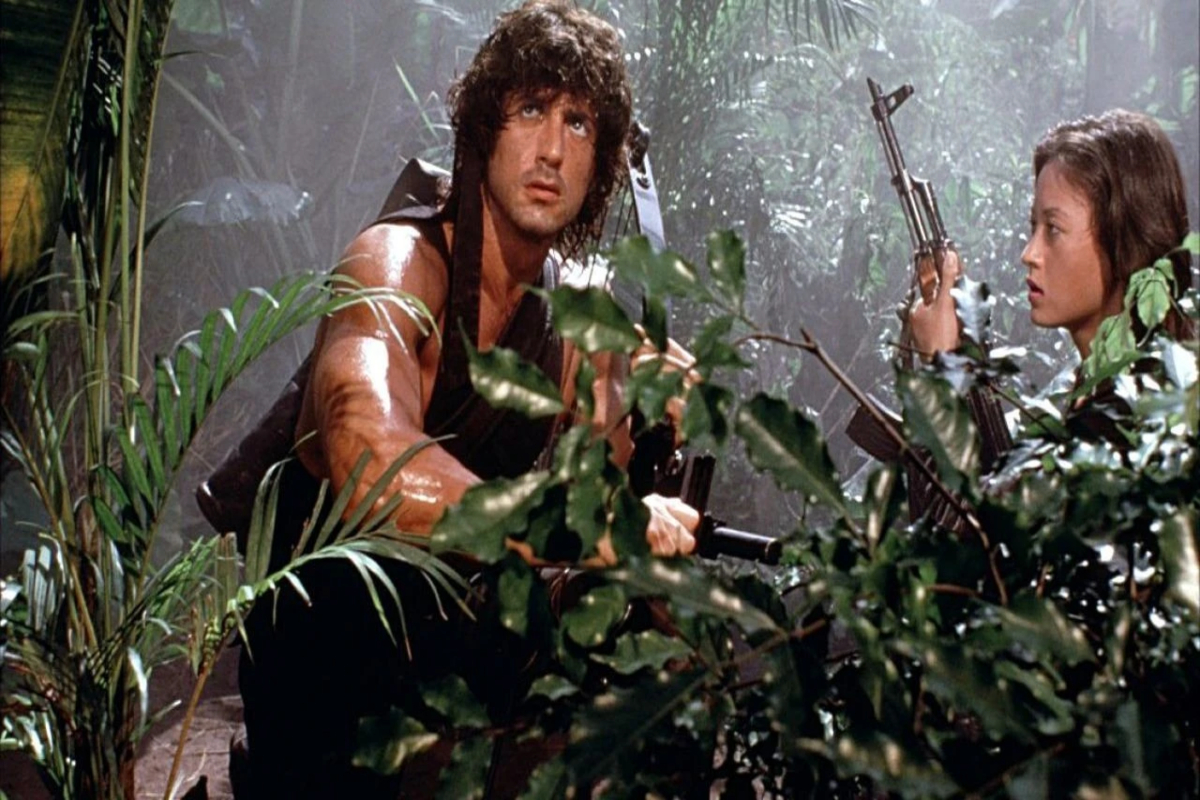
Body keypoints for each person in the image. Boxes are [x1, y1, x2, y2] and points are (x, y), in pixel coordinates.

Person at [234, 3, 697, 797]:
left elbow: (591, 543)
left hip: (450, 679)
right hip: (323, 687)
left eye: (579, 123)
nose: (552, 149)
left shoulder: (570, 327)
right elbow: (369, 459)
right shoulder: (395, 264)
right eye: (531, 110)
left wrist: (645, 420)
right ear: (485, 127)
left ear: (600, 166)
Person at [910, 109, 1194, 421]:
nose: (1029, 254)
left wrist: (943, 376)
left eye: (1054, 229)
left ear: (1123, 243)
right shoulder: (1079, 385)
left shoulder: (1145, 406)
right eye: (1034, 226)